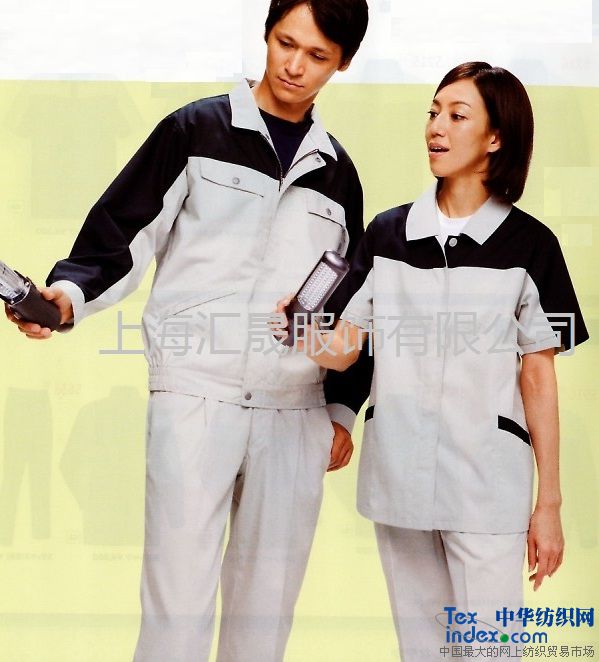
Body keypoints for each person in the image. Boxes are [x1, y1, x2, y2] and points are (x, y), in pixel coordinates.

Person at [4, 1, 369, 661]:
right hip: (196, 394)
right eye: (285, 43)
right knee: (176, 607)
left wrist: (341, 410)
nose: (293, 65)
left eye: (316, 55)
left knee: (266, 617)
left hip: (295, 412)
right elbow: (122, 230)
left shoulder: (338, 174)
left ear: (342, 63)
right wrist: (67, 297)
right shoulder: (193, 130)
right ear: (266, 33)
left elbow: (352, 301)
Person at [276, 61, 589, 660]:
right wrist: (301, 331)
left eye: (457, 115)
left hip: (487, 483)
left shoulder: (532, 246)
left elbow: (539, 375)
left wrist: (548, 504)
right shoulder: (387, 234)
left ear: (495, 138)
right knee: (420, 650)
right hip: (400, 478)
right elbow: (347, 348)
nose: (436, 127)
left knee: (492, 651)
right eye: (433, 112)